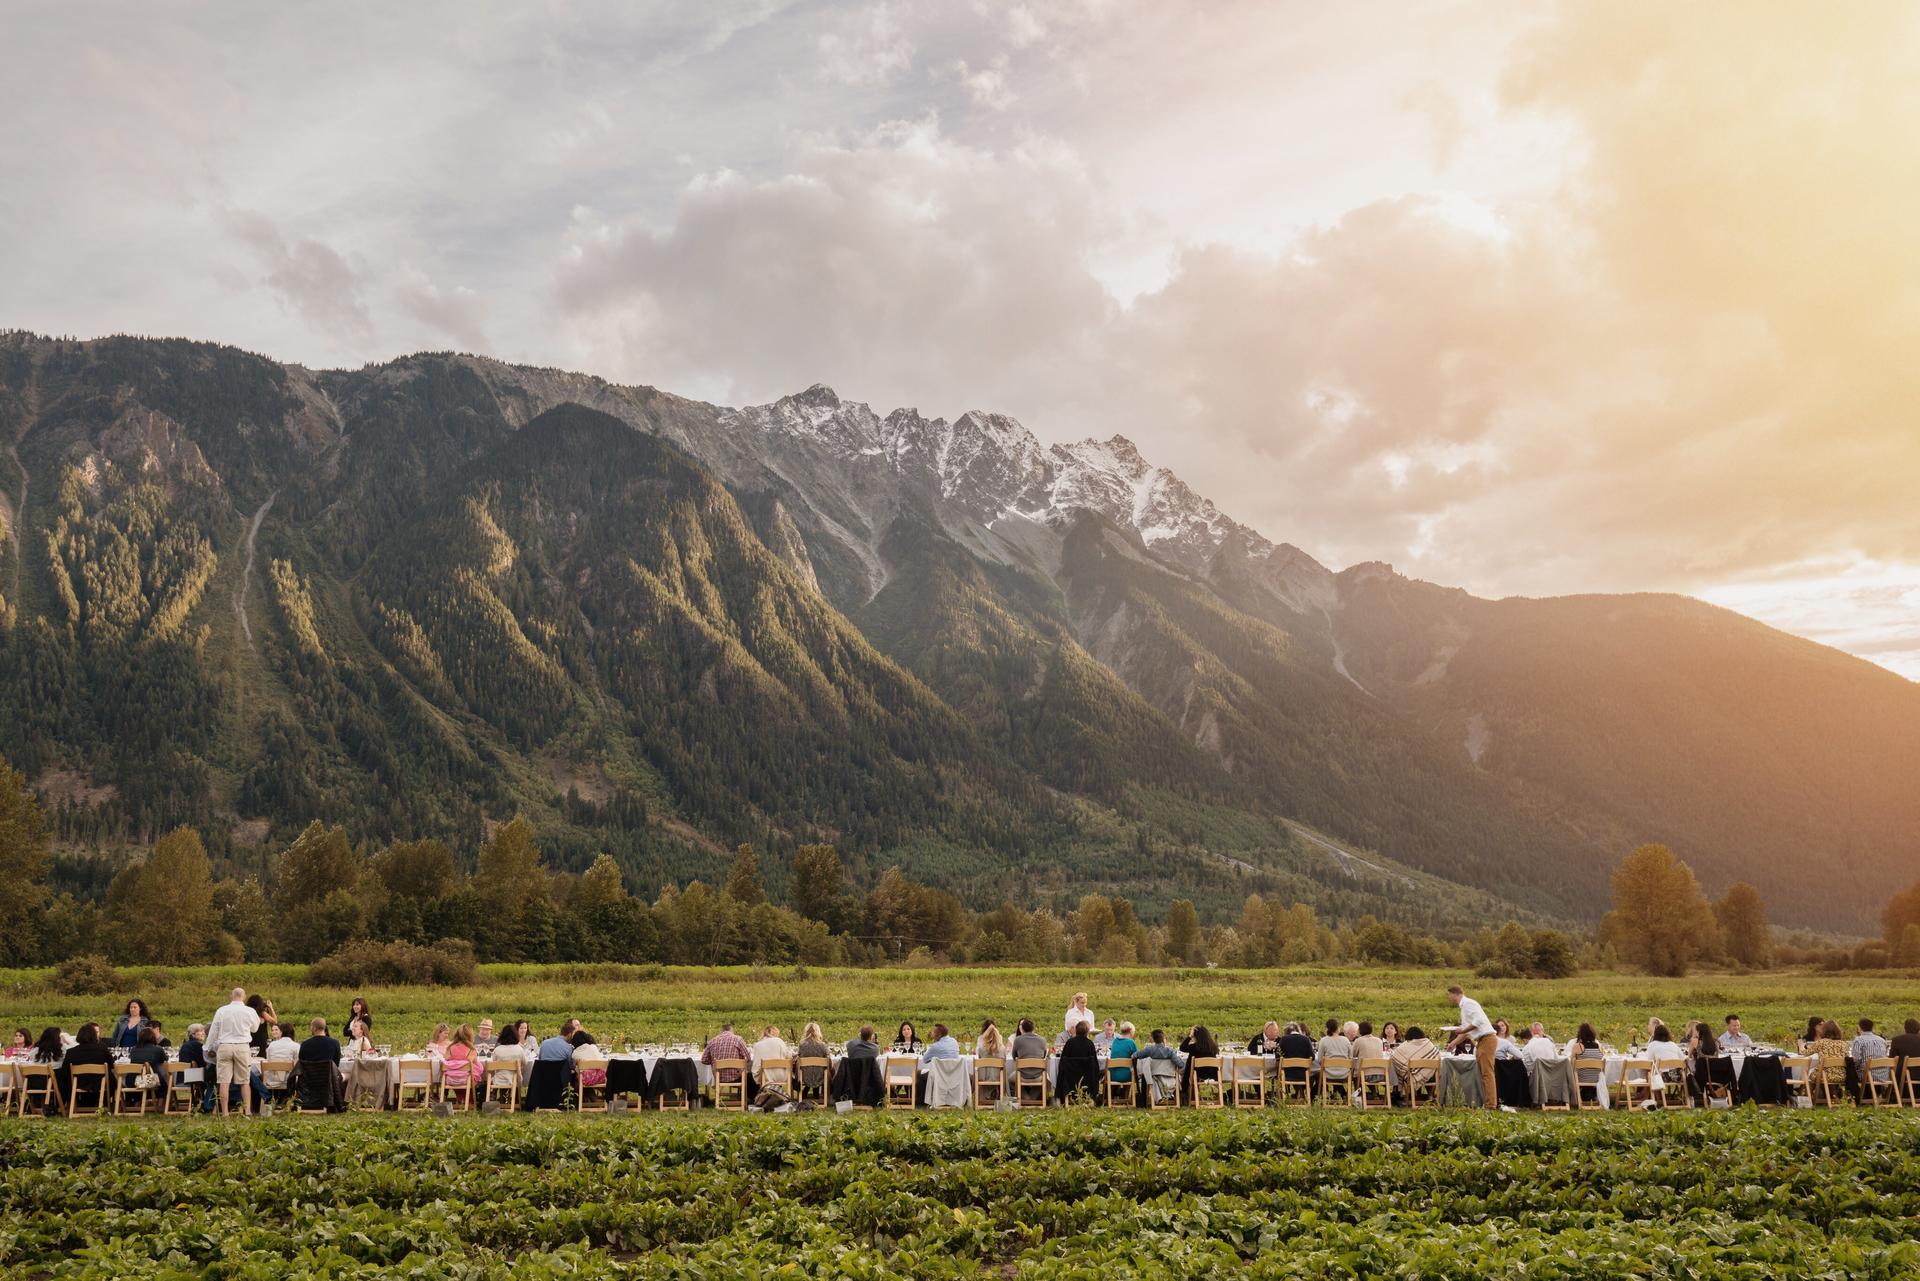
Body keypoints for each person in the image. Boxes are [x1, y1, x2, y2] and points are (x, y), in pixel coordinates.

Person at [205, 987, 261, 1117]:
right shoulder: (250, 1011)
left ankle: (225, 1112)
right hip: (242, 1046)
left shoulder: (222, 1010)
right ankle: (247, 1111)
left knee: (224, 1081)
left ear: (231, 996)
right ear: (244, 996)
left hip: (224, 1046)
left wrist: (208, 1046)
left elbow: (214, 1030)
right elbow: (254, 1028)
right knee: (244, 1081)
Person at [1443, 984, 1499, 1112]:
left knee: (1487, 1073)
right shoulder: (1464, 1007)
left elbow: (1477, 1022)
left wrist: (1463, 1029)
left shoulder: (1469, 1004)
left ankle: (1491, 1105)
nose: (1450, 998)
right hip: (1481, 1041)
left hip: (1487, 1039)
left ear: (1455, 994)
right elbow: (1466, 1032)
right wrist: (1453, 1043)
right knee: (1483, 1073)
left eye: (1450, 995)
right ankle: (1487, 1102)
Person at [57, 1022, 113, 1110]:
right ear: (94, 1036)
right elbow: (112, 1064)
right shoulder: (102, 1049)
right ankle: (109, 1104)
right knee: (112, 1077)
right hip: (99, 1082)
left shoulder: (71, 1052)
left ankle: (71, 1104)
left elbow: (64, 1071)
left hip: (78, 1083)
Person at [297, 1017, 344, 1111]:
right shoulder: (335, 1043)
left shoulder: (305, 1044)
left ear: (314, 1028)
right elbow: (336, 1065)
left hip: (309, 1080)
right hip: (328, 1080)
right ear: (324, 1028)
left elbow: (301, 1063)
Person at [1056, 1021, 1100, 1104]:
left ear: (1076, 1030)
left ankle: (1066, 1098)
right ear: (1087, 1031)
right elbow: (1094, 1064)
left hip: (1070, 1078)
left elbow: (1063, 1061)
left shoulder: (1069, 1043)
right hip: (1086, 1078)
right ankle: (1091, 1097)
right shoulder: (1090, 1044)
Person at [1848, 1018, 1890, 1101]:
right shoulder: (1882, 1040)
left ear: (1859, 1028)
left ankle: (1854, 1097)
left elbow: (1856, 1060)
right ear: (1872, 1028)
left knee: (1850, 1067)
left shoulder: (1858, 1040)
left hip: (1867, 1075)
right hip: (1884, 1075)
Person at [126, 1025, 171, 1099]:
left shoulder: (133, 1049)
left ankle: (137, 1101)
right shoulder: (157, 1049)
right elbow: (164, 1060)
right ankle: (161, 1102)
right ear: (153, 1037)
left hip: (133, 1080)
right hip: (151, 1080)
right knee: (164, 1082)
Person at [1808, 1019, 1849, 1101]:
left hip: (1825, 1076)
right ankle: (1832, 1095)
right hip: (1842, 1076)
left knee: (1809, 1074)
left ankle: (1808, 1097)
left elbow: (1805, 1053)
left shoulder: (1821, 1042)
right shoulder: (1844, 1044)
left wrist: (1801, 1045)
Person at [701, 1022, 750, 1089]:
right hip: (737, 1077)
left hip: (718, 1077)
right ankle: (744, 1095)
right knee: (750, 1077)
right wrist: (739, 1060)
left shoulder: (712, 1041)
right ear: (731, 1030)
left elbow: (704, 1060)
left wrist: (714, 1062)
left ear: (721, 1031)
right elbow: (748, 1058)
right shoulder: (738, 1039)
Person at [1178, 1025, 1220, 1104]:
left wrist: (1190, 1036)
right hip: (1212, 1074)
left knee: (1188, 1065)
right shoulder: (1213, 1046)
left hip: (1197, 1075)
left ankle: (1184, 1092)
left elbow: (1182, 1048)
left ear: (1195, 1036)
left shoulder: (1194, 1047)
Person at [1313, 1017, 1353, 1098]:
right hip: (1344, 1074)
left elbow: (1320, 1060)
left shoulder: (1323, 1040)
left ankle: (1322, 1094)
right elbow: (1351, 1058)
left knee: (1317, 1074)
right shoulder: (1345, 1040)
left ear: (1327, 1028)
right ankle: (1341, 1094)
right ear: (1338, 1028)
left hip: (1328, 1074)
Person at [795, 1022, 832, 1097]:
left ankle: (807, 1089)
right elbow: (828, 1059)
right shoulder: (822, 1045)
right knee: (825, 1068)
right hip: (820, 1075)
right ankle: (818, 1091)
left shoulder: (802, 1044)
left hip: (805, 1075)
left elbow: (798, 1056)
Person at [750, 1024, 791, 1091]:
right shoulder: (779, 1041)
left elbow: (756, 1065)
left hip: (765, 1076)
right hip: (781, 1076)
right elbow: (789, 1056)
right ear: (774, 1032)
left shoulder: (757, 1045)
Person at [1010, 1018, 1049, 1086]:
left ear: (1022, 1028)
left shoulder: (1017, 1040)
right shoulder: (1042, 1040)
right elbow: (1044, 1056)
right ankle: (1033, 1093)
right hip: (1039, 1075)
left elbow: (1014, 1057)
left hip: (1022, 1075)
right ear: (1034, 1028)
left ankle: (1022, 1093)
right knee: (1048, 1079)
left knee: (1010, 1080)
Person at [444, 1024, 479, 1094]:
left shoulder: (450, 1048)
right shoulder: (471, 1049)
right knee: (478, 1070)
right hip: (466, 1080)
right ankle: (472, 1097)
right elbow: (476, 1063)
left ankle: (459, 1097)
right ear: (470, 1035)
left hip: (450, 1080)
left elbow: (445, 1061)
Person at [1108, 1022, 1138, 1090]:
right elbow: (1137, 1057)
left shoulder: (1115, 1041)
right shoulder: (1131, 1042)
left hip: (1113, 1075)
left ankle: (1121, 1093)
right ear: (1131, 1031)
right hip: (1127, 1076)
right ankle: (1128, 1094)